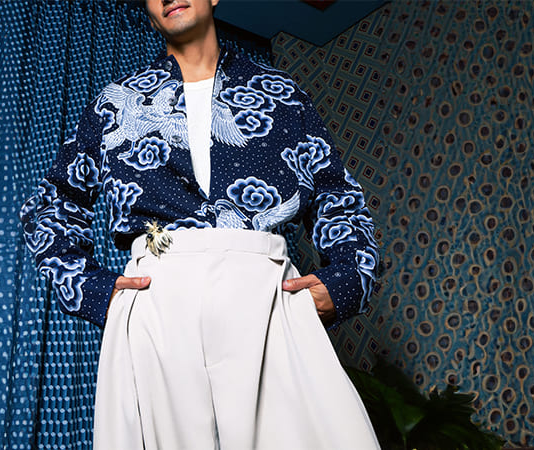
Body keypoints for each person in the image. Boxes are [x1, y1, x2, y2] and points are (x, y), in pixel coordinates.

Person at [19, 0, 381, 447]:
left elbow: (335, 194)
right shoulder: (115, 103)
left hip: (269, 297)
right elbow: (53, 205)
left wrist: (345, 281)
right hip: (157, 305)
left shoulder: (282, 94)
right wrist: (92, 289)